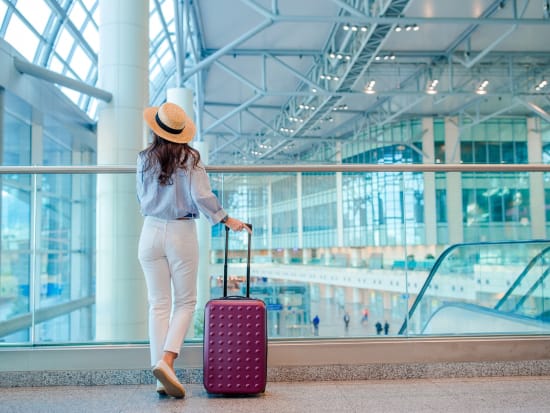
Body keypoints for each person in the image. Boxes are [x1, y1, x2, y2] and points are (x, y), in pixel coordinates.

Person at [137, 102, 251, 398]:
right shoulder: (190, 159)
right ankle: (167, 360)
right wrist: (227, 219)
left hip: (149, 231)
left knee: (158, 304)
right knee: (186, 302)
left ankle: (161, 376)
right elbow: (202, 195)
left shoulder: (144, 158)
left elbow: (141, 196)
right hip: (180, 231)